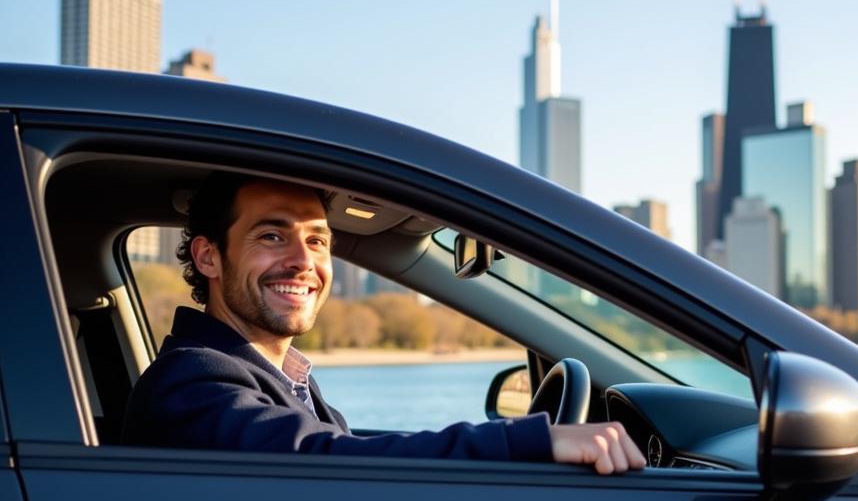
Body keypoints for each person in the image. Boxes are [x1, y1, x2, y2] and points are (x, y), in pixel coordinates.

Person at [122, 174, 646, 474]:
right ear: (209, 257)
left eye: (318, 240)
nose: (305, 262)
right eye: (272, 236)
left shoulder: (280, 378)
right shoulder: (190, 383)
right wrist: (529, 442)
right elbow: (329, 465)